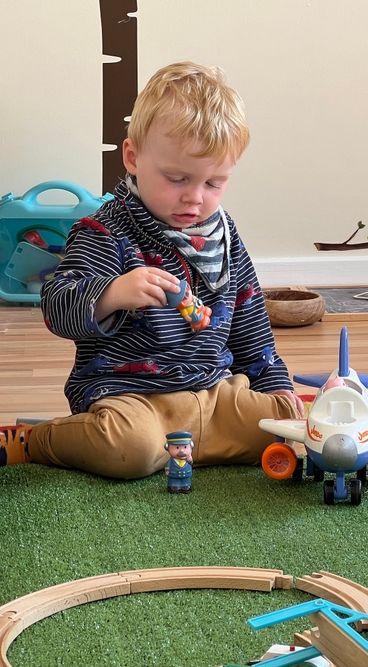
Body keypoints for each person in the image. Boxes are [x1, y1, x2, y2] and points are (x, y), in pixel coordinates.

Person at [0, 62, 303, 479]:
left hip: (212, 394)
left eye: (213, 183)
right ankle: (36, 439)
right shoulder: (105, 230)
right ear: (133, 158)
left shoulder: (224, 233)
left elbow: (250, 325)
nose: (194, 198)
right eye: (177, 178)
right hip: (130, 399)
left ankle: (190, 444)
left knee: (286, 423)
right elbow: (58, 307)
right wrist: (111, 293)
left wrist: (274, 384)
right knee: (131, 449)